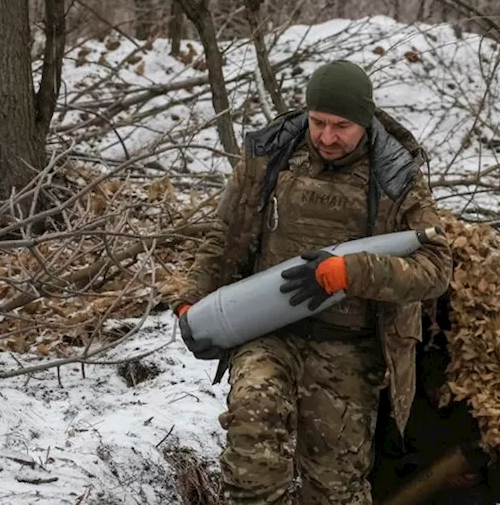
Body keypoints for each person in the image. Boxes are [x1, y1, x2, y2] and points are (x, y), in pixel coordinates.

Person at [171, 59, 452, 505]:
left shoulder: (396, 176)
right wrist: (191, 300)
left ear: (366, 120)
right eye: (317, 122)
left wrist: (353, 271)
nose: (326, 136)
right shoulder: (271, 156)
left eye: (341, 126)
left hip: (350, 347)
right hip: (268, 332)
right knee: (251, 449)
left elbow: (436, 266)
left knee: (335, 490)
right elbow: (222, 236)